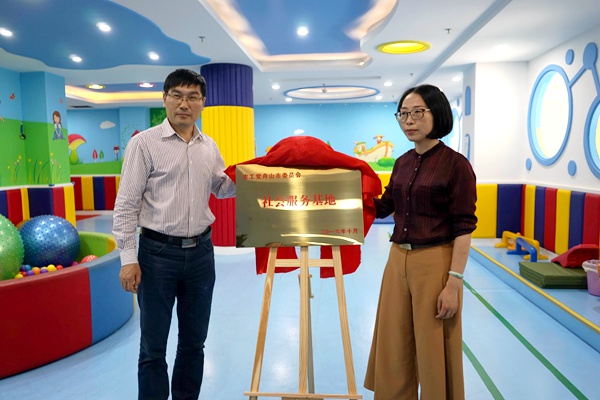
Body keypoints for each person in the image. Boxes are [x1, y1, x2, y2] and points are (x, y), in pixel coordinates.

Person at [112, 68, 236, 400]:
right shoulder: (144, 144)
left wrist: (257, 177)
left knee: (194, 343)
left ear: (202, 103)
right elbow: (126, 205)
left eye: (193, 97)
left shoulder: (209, 146)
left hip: (201, 255)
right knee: (153, 347)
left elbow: (221, 187)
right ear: (165, 99)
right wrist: (128, 259)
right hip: (156, 256)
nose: (184, 104)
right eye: (177, 95)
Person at [364, 84, 477, 399]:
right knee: (394, 341)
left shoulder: (456, 165)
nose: (409, 121)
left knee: (432, 346)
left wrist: (453, 283)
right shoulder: (402, 162)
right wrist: (345, 195)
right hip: (396, 260)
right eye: (403, 114)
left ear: (436, 113)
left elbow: (464, 227)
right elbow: (384, 206)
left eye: (417, 112)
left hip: (434, 261)